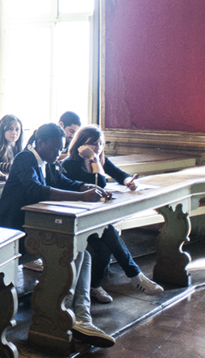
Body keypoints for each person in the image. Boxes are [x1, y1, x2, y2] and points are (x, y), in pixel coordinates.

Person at [0, 123, 113, 347]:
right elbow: (35, 189)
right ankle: (64, 314)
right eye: (56, 149)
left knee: (81, 251)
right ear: (41, 143)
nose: (59, 154)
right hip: (14, 231)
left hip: (35, 226)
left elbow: (61, 182)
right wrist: (80, 198)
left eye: (61, 149)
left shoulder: (48, 161)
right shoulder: (25, 158)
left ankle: (80, 316)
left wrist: (85, 187)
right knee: (68, 253)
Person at [60, 125, 163, 302]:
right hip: (76, 217)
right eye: (93, 144)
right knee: (107, 236)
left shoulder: (100, 160)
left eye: (100, 143)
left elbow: (119, 173)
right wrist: (93, 160)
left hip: (94, 214)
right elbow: (99, 182)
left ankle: (96, 285)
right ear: (81, 145)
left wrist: (128, 180)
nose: (98, 148)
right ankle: (134, 276)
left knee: (105, 244)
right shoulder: (70, 163)